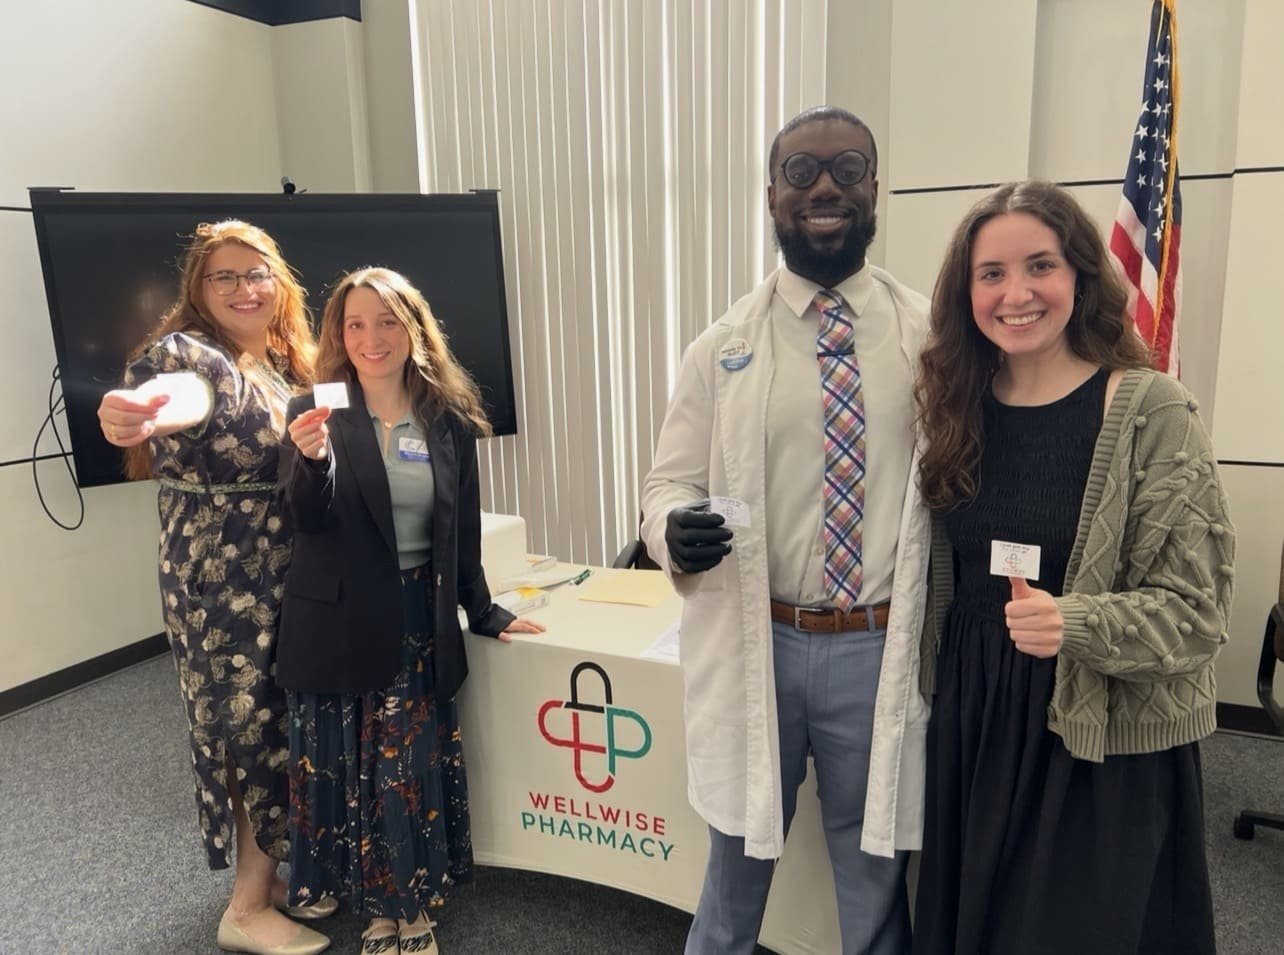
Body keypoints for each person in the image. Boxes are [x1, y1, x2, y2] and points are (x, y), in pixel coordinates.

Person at [910, 180, 1233, 955]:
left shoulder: (1153, 411)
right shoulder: (954, 404)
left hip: (1098, 737)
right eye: (991, 273)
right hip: (976, 717)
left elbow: (1199, 610)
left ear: (1082, 278)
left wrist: (1075, 621)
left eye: (1040, 266)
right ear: (967, 290)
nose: (1015, 293)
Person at [640, 106, 932, 954]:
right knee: (735, 869)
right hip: (759, 641)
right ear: (771, 195)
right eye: (801, 172)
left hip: (880, 648)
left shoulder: (931, 334)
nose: (826, 187)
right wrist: (670, 528)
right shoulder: (721, 346)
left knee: (875, 872)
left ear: (876, 188)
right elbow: (667, 484)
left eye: (847, 167)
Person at [277, 266, 545, 955]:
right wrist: (310, 460)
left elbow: (460, 530)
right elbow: (306, 518)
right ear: (339, 333)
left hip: (415, 614)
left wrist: (482, 609)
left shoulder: (446, 416)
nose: (372, 336)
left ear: (414, 329)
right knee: (353, 762)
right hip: (338, 617)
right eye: (356, 323)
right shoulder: (318, 408)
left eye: (388, 320)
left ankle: (407, 905)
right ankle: (378, 912)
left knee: (402, 762)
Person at [97, 221, 332, 955]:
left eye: (255, 272)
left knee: (283, 716)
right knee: (245, 725)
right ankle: (246, 905)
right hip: (221, 572)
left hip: (286, 561)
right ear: (198, 290)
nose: (242, 288)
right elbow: (172, 394)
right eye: (222, 277)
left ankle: (278, 866)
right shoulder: (192, 356)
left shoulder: (288, 361)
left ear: (279, 282)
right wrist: (133, 411)